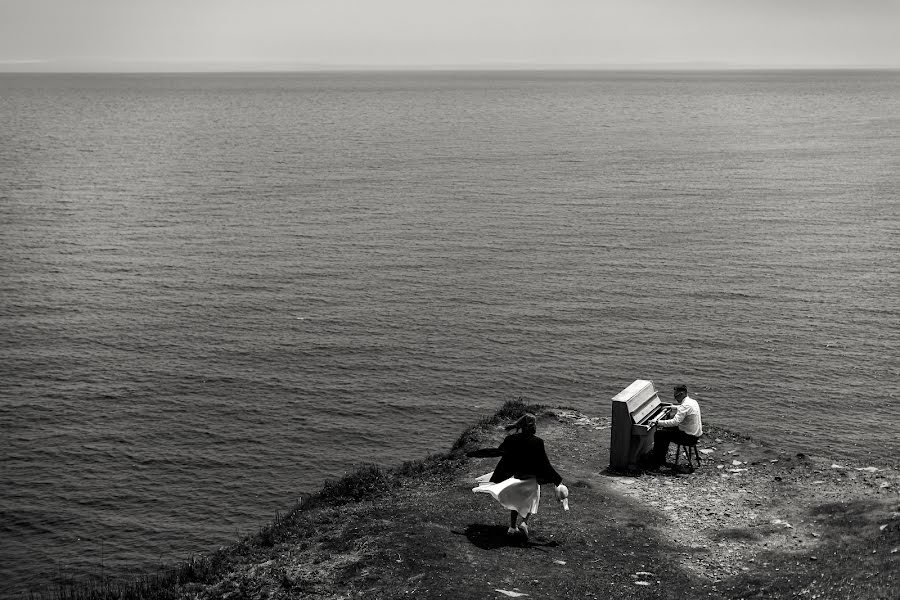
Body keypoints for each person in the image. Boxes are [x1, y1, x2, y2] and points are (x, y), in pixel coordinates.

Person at [467, 413, 568, 539]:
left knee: (516, 502)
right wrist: (557, 480)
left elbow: (496, 452)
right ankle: (524, 523)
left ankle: (512, 527)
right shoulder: (538, 442)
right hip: (530, 479)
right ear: (534, 426)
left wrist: (475, 453)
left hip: (516, 477)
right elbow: (545, 464)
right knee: (531, 501)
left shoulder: (511, 439)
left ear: (521, 425)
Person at [646, 383, 703, 470]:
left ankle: (656, 462)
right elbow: (682, 408)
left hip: (688, 437)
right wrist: (672, 407)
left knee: (659, 434)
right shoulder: (692, 402)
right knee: (665, 430)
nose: (675, 398)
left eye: (676, 396)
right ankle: (660, 458)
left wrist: (657, 422)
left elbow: (675, 422)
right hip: (695, 435)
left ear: (682, 394)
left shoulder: (685, 406)